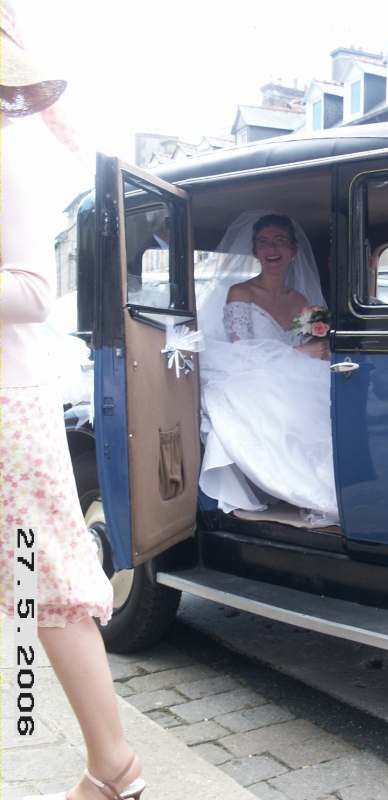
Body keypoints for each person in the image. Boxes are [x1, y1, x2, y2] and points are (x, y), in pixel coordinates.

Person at [0, 3, 144, 799]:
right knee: (35, 586)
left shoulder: (5, 156)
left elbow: (30, 292)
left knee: (44, 585)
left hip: (8, 407)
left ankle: (115, 763)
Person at [197, 211, 339, 526]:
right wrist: (301, 352)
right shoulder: (241, 293)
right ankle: (305, 491)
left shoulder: (301, 299)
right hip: (250, 376)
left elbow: (310, 347)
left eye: (278, 241)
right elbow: (241, 353)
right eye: (263, 242)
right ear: (255, 252)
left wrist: (318, 351)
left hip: (293, 375)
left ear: (293, 250)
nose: (271, 248)